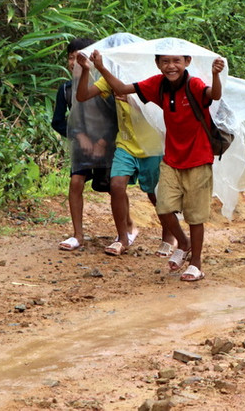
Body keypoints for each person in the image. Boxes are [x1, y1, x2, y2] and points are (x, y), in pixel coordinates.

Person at [83, 47, 224, 282]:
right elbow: (120, 89)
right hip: (171, 159)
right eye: (165, 61)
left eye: (176, 61)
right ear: (158, 64)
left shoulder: (195, 85)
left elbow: (215, 95)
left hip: (199, 159)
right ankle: (184, 242)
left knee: (194, 215)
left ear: (187, 61)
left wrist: (216, 74)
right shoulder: (157, 84)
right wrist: (100, 67)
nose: (171, 66)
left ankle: (196, 263)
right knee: (164, 208)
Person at [76, 63, 177, 258]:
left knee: (155, 194)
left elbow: (160, 110)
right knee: (116, 185)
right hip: (125, 143)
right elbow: (82, 96)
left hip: (152, 146)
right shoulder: (109, 79)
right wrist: (87, 69)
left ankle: (168, 237)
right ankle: (123, 238)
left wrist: (133, 102)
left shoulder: (147, 77)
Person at [51, 37, 118, 251]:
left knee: (114, 188)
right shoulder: (65, 90)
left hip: (107, 145)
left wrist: (101, 141)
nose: (74, 62)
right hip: (81, 148)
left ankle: (126, 230)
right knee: (76, 183)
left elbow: (115, 118)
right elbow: (58, 121)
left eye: (80, 57)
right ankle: (78, 235)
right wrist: (79, 137)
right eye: (71, 58)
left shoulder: (104, 87)